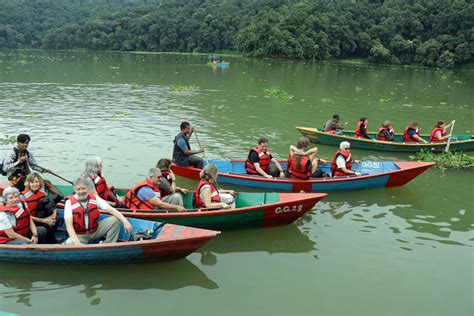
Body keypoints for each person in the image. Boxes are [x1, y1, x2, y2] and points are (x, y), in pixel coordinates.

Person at [64, 177, 132, 245]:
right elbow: (69, 226)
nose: (81, 191)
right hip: (80, 235)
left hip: (95, 230)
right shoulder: (69, 203)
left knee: (115, 220)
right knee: (69, 243)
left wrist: (124, 220)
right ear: (75, 190)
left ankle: (108, 245)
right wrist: (77, 242)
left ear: (88, 188)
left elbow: (111, 210)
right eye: (78, 189)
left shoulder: (95, 198)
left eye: (83, 188)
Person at [22, 172, 59, 243]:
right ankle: (40, 242)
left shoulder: (42, 193)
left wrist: (53, 217)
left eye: (37, 182)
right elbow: (25, 216)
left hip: (40, 217)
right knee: (42, 230)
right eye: (32, 182)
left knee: (57, 217)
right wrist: (45, 220)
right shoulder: (23, 197)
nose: (35, 184)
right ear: (28, 183)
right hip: (30, 223)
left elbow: (52, 205)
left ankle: (50, 239)